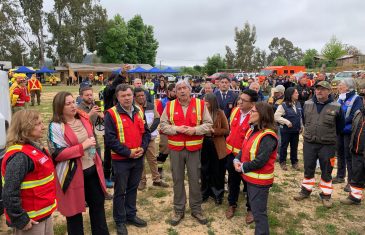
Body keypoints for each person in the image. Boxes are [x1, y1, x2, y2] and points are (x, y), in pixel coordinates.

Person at [48, 92, 109, 235]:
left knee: (98, 207)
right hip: (72, 175)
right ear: (59, 107)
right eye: (67, 104)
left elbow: (95, 127)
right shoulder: (56, 126)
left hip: (92, 170)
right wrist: (83, 146)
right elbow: (57, 154)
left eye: (73, 102)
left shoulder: (82, 116)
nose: (73, 106)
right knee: (74, 213)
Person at [160, 79, 213, 226]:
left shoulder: (200, 104)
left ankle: (196, 209)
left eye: (185, 88)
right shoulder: (169, 106)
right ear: (175, 92)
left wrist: (195, 130)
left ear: (190, 90)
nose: (182, 91)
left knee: (195, 179)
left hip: (194, 149)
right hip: (175, 150)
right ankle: (179, 210)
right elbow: (163, 125)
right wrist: (176, 129)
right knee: (177, 179)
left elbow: (209, 124)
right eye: (179, 89)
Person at [104, 84, 151, 235]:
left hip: (137, 158)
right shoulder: (111, 114)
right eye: (123, 96)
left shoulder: (139, 110)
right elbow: (110, 140)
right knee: (120, 191)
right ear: (117, 97)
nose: (127, 98)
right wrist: (128, 153)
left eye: (129, 95)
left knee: (132, 188)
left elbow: (146, 133)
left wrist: (143, 148)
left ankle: (131, 215)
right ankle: (120, 221)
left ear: (133, 96)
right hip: (121, 160)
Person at [2, 110, 56, 235]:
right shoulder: (20, 156)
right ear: (26, 127)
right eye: (38, 124)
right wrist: (21, 219)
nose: (43, 127)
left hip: (44, 215)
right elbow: (9, 192)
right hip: (30, 222)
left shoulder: (33, 148)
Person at [294, 81, 342, 208]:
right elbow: (305, 120)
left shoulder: (336, 106)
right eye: (317, 89)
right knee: (308, 168)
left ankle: (326, 195)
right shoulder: (308, 104)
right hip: (309, 142)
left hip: (327, 144)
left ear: (329, 91)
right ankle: (305, 191)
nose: (319, 91)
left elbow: (340, 127)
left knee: (327, 170)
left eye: (322, 89)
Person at [233, 102, 278, 235]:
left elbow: (260, 161)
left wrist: (242, 167)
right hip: (252, 179)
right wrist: (237, 159)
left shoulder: (267, 136)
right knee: (257, 209)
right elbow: (244, 147)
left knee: (259, 214)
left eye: (253, 111)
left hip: (259, 182)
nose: (250, 114)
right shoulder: (252, 129)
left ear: (262, 115)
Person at [225, 89, 258, 223]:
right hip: (231, 154)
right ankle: (232, 204)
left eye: (244, 100)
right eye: (240, 99)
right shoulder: (234, 111)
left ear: (252, 103)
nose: (239, 102)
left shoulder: (256, 116)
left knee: (249, 183)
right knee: (233, 181)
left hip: (246, 157)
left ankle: (251, 208)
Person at [133, 88, 168, 190]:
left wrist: (148, 131)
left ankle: (156, 180)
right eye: (138, 96)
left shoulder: (151, 106)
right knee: (140, 160)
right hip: (138, 138)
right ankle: (142, 181)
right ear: (135, 97)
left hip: (150, 137)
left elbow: (157, 119)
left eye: (142, 95)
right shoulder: (132, 108)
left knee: (152, 158)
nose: (141, 97)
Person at [333, 78, 363, 192]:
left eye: (341, 85)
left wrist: (341, 121)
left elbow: (355, 115)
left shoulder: (356, 99)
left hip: (349, 132)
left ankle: (351, 181)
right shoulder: (340, 98)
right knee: (340, 154)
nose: (339, 86)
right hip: (340, 131)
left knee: (348, 156)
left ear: (348, 87)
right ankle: (340, 176)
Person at [201, 93, 229, 204]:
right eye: (204, 101)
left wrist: (215, 131)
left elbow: (226, 130)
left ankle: (217, 194)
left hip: (216, 144)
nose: (204, 103)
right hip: (204, 143)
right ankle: (204, 193)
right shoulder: (201, 113)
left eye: (206, 101)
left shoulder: (220, 113)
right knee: (204, 169)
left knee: (217, 170)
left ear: (212, 102)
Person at [340, 83, 365, 205]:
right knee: (357, 173)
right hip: (356, 147)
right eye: (363, 97)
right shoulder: (359, 113)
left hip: (361, 150)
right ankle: (355, 197)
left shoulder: (357, 107)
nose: (363, 100)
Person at [274, 87, 303, 170]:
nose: (298, 94)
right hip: (286, 130)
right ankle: (282, 162)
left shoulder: (298, 104)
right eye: (296, 93)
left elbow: (300, 116)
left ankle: (294, 162)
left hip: (296, 130)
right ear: (290, 94)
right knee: (284, 146)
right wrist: (286, 122)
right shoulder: (283, 105)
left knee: (294, 146)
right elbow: (276, 116)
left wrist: (301, 126)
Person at [157, 83, 177, 177]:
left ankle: (176, 170)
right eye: (174, 91)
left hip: (177, 130)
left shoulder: (179, 101)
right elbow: (159, 116)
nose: (176, 93)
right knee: (164, 151)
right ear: (168, 91)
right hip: (165, 131)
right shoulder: (162, 102)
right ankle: (159, 169)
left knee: (176, 153)